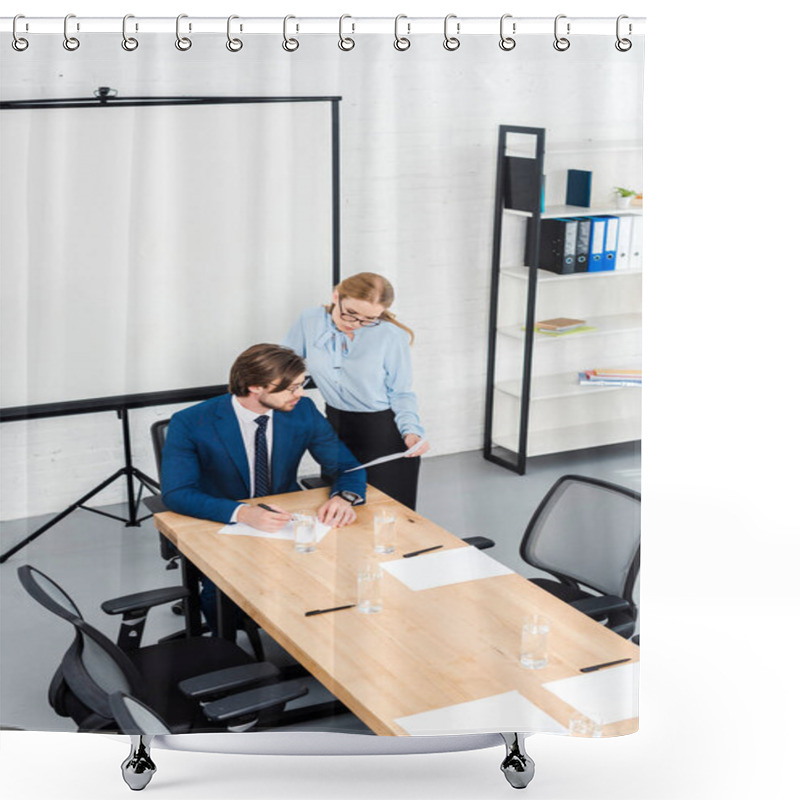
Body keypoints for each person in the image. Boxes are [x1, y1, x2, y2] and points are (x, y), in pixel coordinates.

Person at [161, 343, 366, 632]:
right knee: (219, 595)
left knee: (340, 570)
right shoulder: (192, 422)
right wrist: (243, 513)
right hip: (222, 520)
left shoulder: (302, 410)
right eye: (291, 388)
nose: (301, 394)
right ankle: (233, 658)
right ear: (255, 387)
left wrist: (344, 496)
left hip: (286, 518)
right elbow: (177, 493)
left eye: (301, 384)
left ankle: (311, 643)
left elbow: (346, 466)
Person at [283, 272, 429, 510]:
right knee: (339, 506)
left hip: (382, 431)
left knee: (384, 510)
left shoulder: (391, 336)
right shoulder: (309, 320)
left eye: (368, 319)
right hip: (335, 424)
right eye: (350, 312)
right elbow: (285, 364)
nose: (354, 323)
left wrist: (411, 431)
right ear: (336, 295)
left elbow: (401, 392)